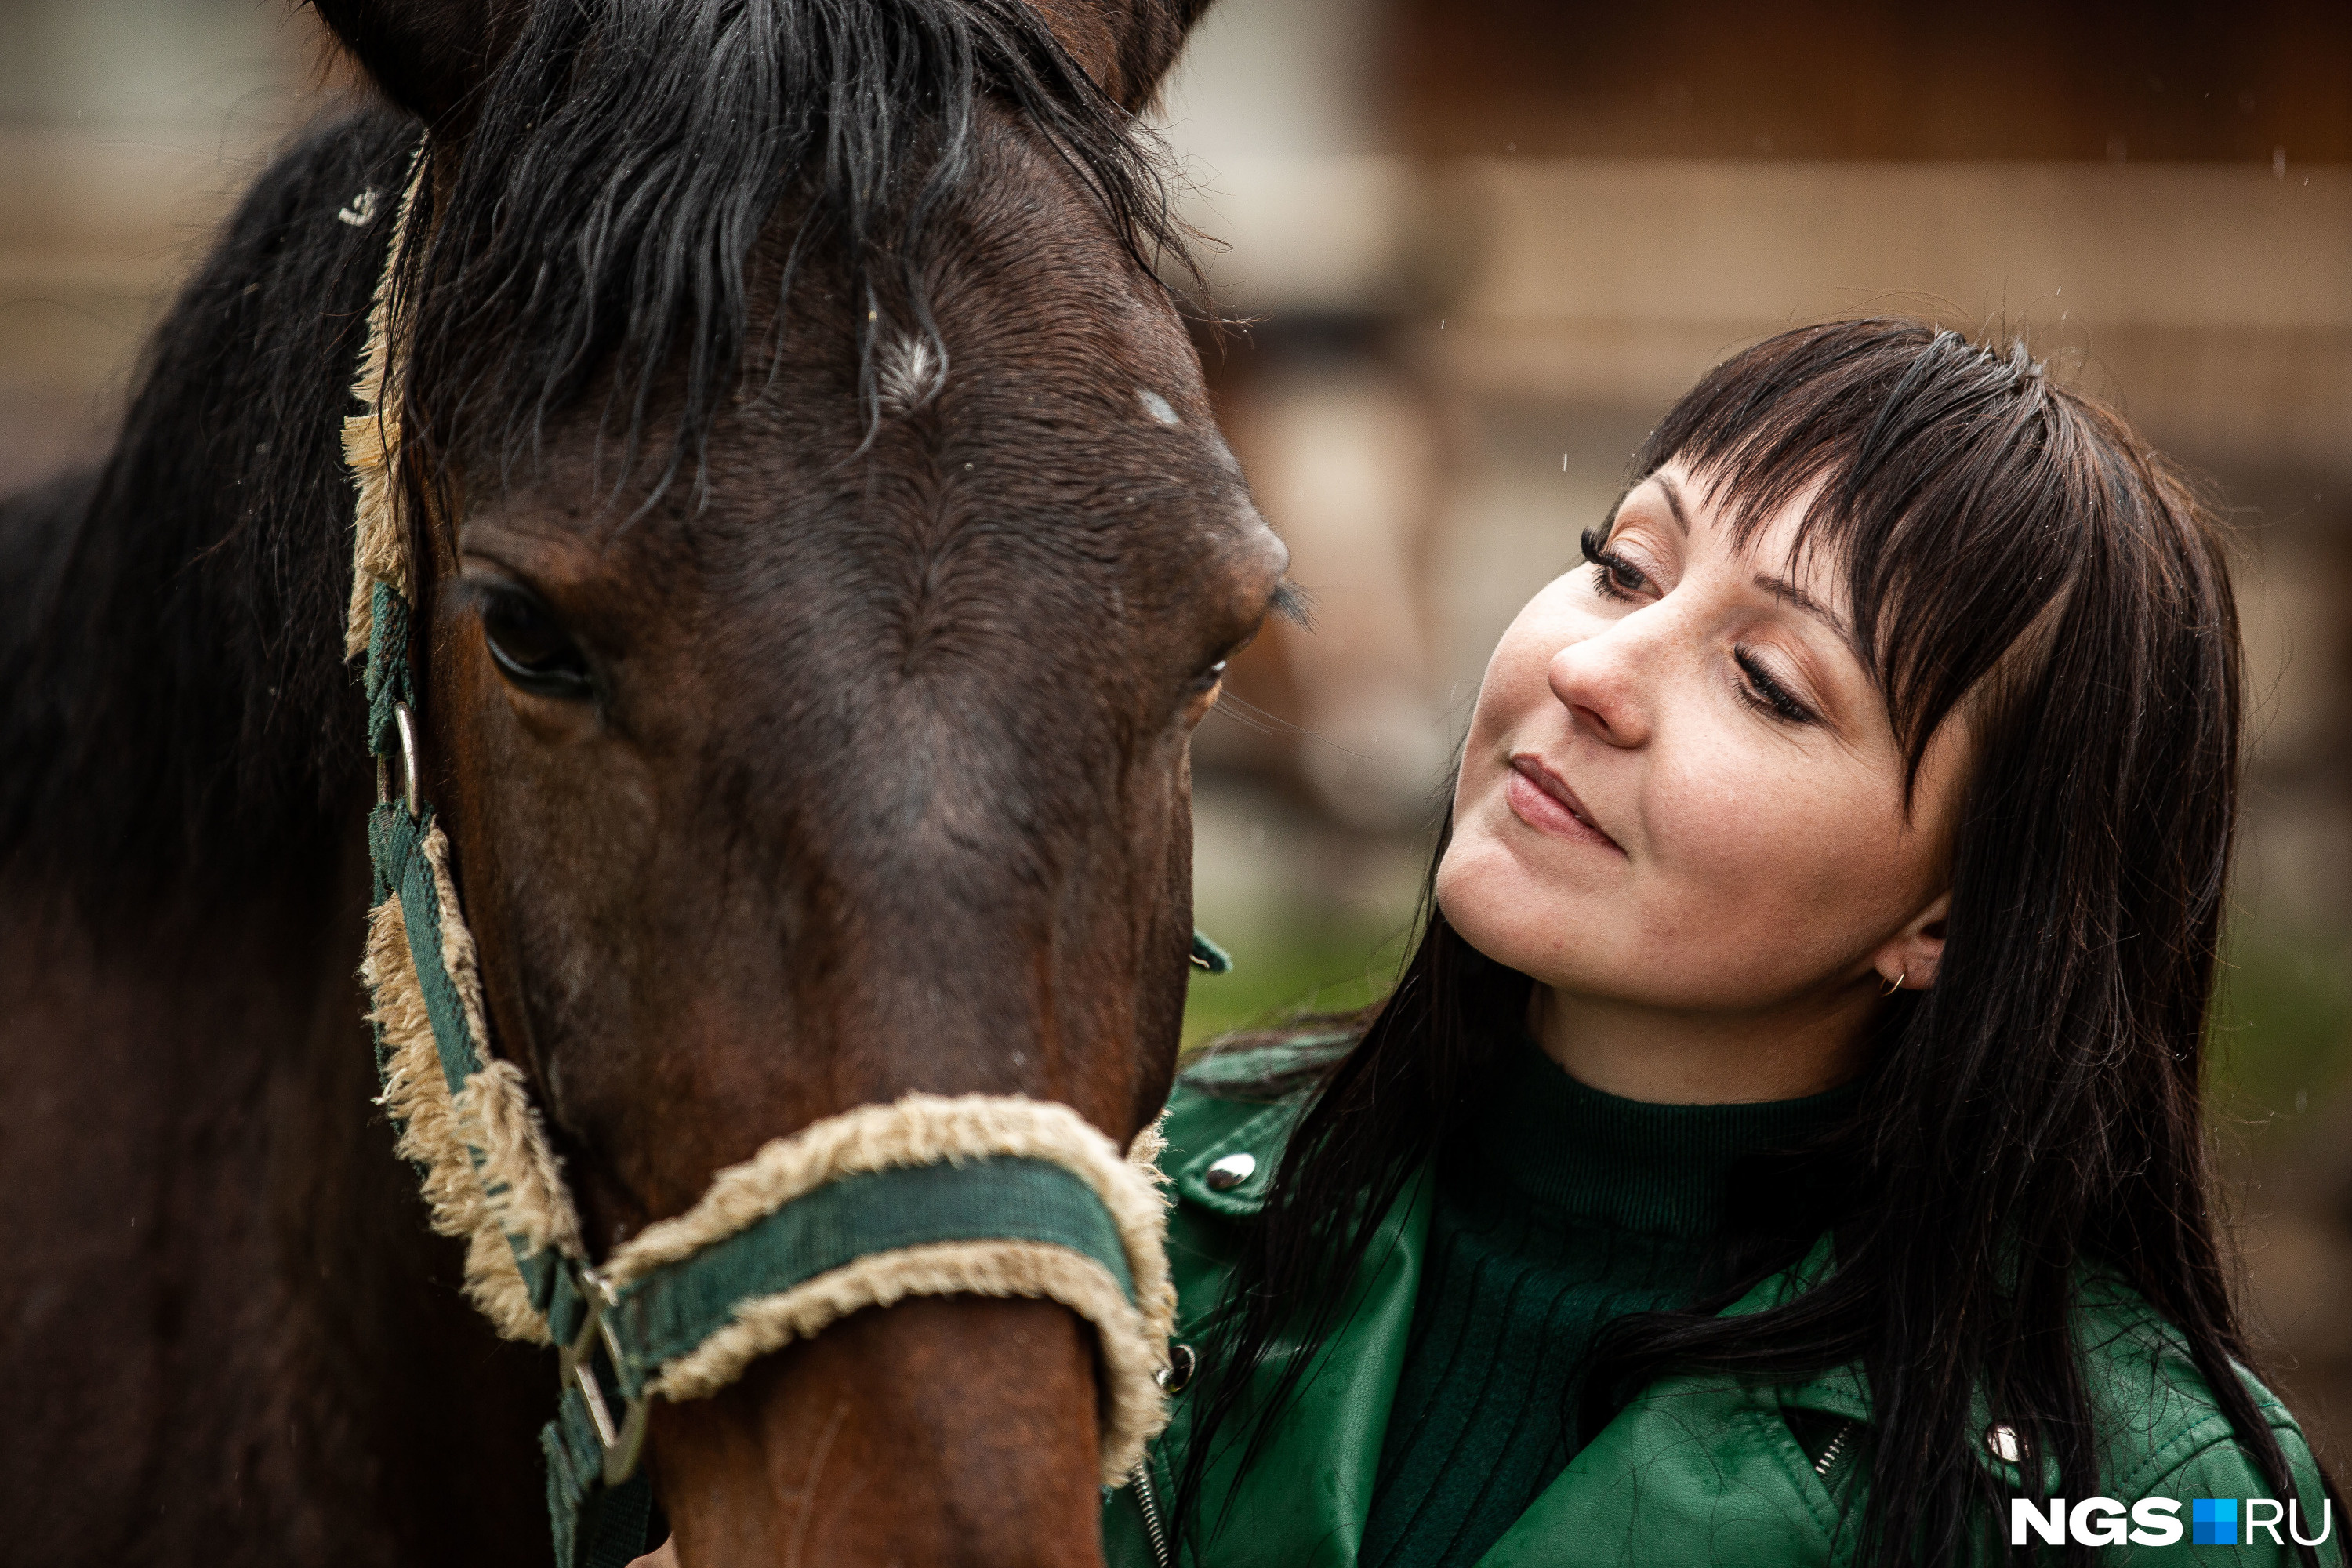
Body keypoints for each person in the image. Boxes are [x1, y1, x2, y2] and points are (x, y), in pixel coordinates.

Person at [1103, 318, 2347, 1568]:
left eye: (1765, 680)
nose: (1595, 666)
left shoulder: (2149, 1512)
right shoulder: (1136, 1209)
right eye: (1625, 568)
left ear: (1954, 919)